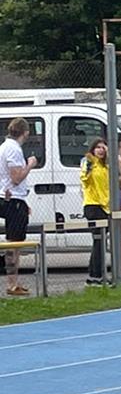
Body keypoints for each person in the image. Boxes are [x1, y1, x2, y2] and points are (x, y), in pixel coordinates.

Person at [80, 138, 121, 286]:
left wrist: (110, 155)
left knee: (102, 241)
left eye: (103, 148)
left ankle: (98, 274)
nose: (100, 150)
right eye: (97, 147)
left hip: (106, 206)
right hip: (93, 205)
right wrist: (90, 163)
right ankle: (94, 275)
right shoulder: (89, 162)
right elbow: (84, 178)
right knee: (98, 240)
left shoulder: (106, 166)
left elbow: (118, 177)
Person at [1, 116, 38, 298]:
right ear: (25, 133)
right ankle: (12, 283)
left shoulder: (5, 147)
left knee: (14, 243)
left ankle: (14, 282)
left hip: (15, 198)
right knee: (14, 243)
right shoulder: (13, 149)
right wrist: (30, 165)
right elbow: (16, 178)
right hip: (13, 199)